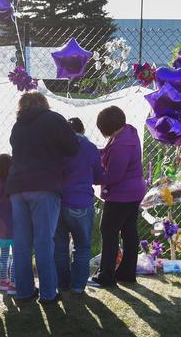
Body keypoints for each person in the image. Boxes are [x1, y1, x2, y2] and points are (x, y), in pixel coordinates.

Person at [6, 91, 79, 303]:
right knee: (44, 242)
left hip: (18, 187)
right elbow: (72, 147)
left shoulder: (17, 126)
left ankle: (24, 290)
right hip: (45, 186)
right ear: (44, 103)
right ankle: (48, 293)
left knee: (21, 243)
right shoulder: (53, 119)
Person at [90, 106, 146, 288]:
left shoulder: (121, 145)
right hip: (135, 191)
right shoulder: (128, 132)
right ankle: (127, 272)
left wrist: (91, 177)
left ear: (107, 128)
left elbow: (114, 176)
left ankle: (106, 274)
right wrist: (94, 152)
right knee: (129, 231)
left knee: (108, 230)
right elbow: (109, 152)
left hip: (122, 194)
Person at [53, 118, 103, 294]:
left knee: (59, 247)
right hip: (81, 202)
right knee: (82, 246)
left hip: (57, 202)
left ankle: (62, 284)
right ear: (82, 130)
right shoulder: (89, 148)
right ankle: (77, 286)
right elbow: (99, 177)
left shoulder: (55, 148)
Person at [0, 154, 16, 295]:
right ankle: (13, 283)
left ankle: (3, 281)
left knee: (4, 254)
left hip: (0, 225)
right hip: (14, 223)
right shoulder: (13, 181)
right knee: (16, 255)